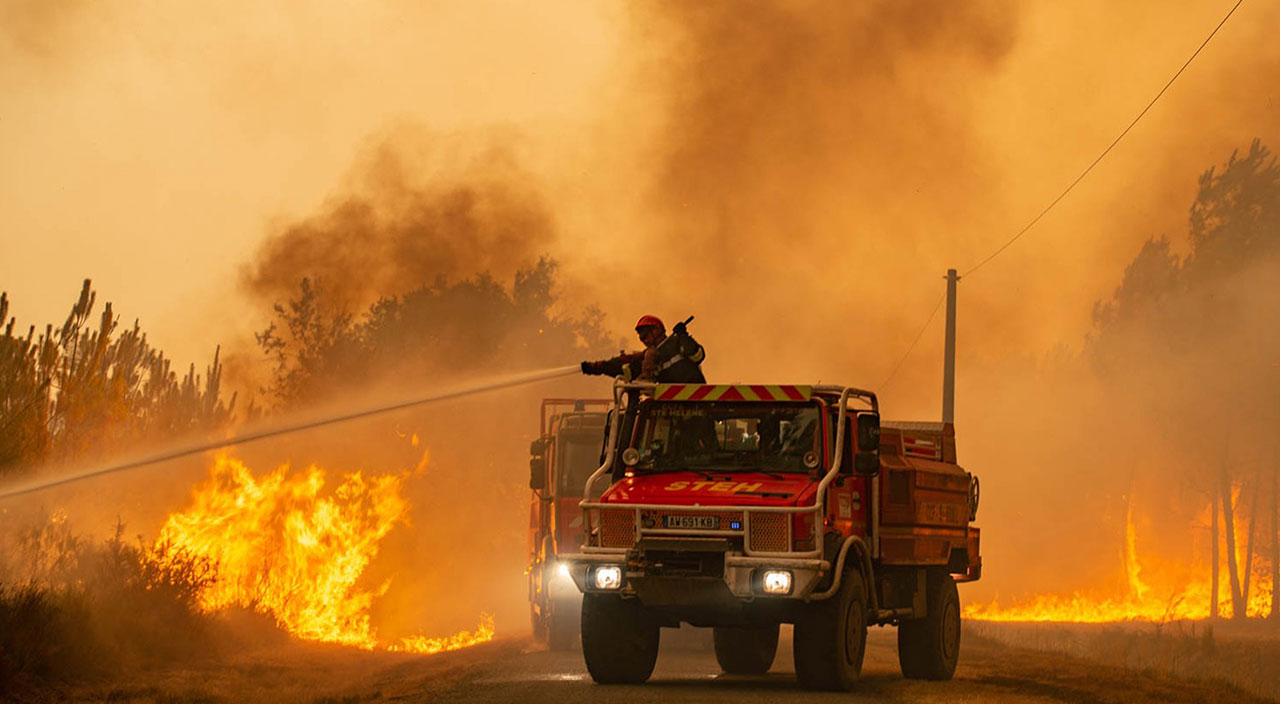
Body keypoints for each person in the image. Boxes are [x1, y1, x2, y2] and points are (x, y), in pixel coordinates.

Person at [581, 315, 706, 383]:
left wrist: (683, 336)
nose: (644, 340)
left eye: (645, 335)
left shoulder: (677, 343)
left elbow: (698, 356)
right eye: (641, 338)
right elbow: (626, 370)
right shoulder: (648, 359)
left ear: (657, 330)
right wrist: (598, 367)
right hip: (669, 412)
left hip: (696, 406)